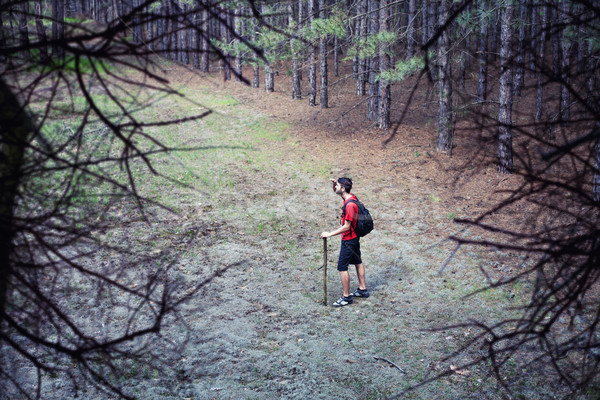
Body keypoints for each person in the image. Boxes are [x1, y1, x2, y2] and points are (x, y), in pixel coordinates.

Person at [320, 177, 370, 307]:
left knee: (342, 268)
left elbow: (346, 226)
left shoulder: (349, 205)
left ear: (343, 188)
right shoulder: (351, 198)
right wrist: (334, 185)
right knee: (358, 262)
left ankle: (346, 297)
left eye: (337, 186)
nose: (336, 188)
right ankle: (362, 289)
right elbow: (339, 192)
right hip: (354, 238)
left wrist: (329, 234)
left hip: (348, 240)